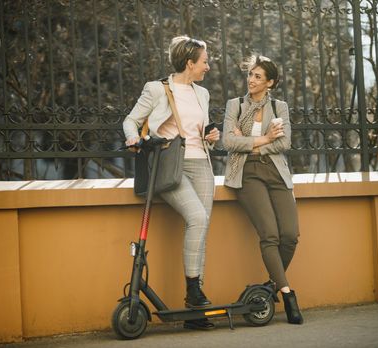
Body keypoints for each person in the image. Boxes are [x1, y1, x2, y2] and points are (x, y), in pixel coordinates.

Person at [123, 35, 220, 330]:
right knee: (197, 217)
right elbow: (130, 120)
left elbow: (199, 129)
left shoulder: (201, 94)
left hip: (201, 164)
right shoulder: (156, 89)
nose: (208, 66)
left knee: (200, 230)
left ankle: (195, 312)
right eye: (204, 61)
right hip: (170, 164)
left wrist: (210, 137)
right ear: (189, 63)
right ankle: (193, 289)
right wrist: (132, 138)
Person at [222, 55, 303, 325]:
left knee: (290, 235)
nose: (251, 80)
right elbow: (227, 141)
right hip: (247, 173)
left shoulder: (280, 107)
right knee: (270, 235)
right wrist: (266, 137)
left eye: (258, 76)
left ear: (270, 82)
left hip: (276, 171)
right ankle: (288, 294)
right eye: (250, 75)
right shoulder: (236, 105)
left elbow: (285, 143)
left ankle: (270, 287)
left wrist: (257, 144)